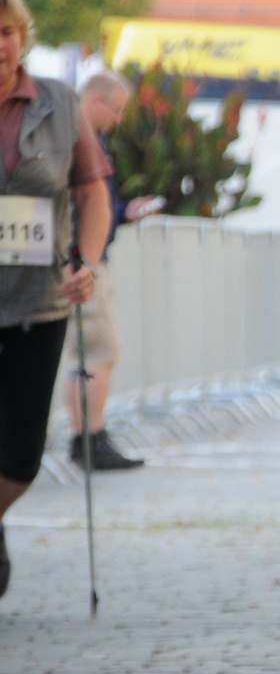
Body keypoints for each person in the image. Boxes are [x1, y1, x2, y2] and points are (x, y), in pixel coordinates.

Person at [0, 0, 112, 599]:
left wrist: (87, 262)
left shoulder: (61, 103)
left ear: (23, 37)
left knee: (19, 456)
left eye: (7, 32)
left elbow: (92, 194)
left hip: (39, 302)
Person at [58, 70, 160, 471]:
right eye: (116, 110)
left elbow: (98, 207)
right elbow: (79, 206)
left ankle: (88, 437)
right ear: (96, 102)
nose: (118, 120)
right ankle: (89, 438)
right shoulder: (75, 139)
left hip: (86, 258)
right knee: (96, 352)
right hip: (81, 263)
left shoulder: (80, 139)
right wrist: (82, 261)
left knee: (90, 353)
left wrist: (125, 214)